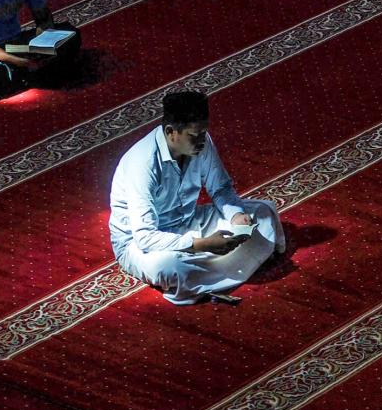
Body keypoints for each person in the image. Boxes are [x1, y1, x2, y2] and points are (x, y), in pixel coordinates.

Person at [109, 90, 286, 305]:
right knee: (173, 268)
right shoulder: (143, 164)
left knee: (263, 212)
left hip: (189, 221)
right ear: (171, 132)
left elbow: (220, 188)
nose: (202, 140)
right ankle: (230, 263)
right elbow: (144, 237)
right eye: (194, 136)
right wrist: (202, 244)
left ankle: (211, 272)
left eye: (204, 132)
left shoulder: (201, 141)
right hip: (141, 243)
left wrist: (236, 216)